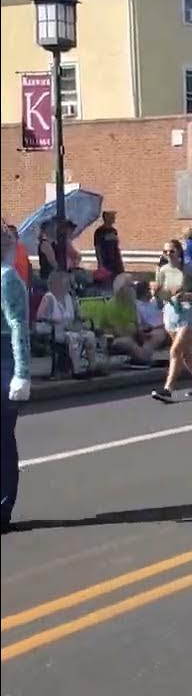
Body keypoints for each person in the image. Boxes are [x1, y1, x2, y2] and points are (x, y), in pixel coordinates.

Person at [1, 225, 32, 532]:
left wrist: (22, 373)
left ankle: (2, 507)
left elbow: (18, 326)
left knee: (2, 438)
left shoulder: (7, 277)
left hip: (4, 361)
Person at [151, 239, 192, 402]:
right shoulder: (163, 270)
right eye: (165, 252)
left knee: (175, 351)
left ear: (179, 252)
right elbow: (159, 294)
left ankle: (168, 389)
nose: (168, 254)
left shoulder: (189, 268)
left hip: (186, 312)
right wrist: (155, 291)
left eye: (171, 251)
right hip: (171, 313)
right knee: (185, 353)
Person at [35, 270, 99, 377]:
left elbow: (77, 314)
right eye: (66, 283)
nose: (69, 286)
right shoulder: (49, 297)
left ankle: (92, 367)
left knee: (90, 336)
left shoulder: (70, 297)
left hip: (69, 328)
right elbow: (39, 316)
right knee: (73, 338)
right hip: (53, 329)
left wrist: (83, 317)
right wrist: (52, 320)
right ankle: (76, 370)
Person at [93, 210, 125, 277]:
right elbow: (97, 248)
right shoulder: (100, 231)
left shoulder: (113, 231)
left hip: (116, 261)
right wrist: (100, 263)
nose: (114, 218)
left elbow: (116, 247)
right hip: (106, 261)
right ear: (106, 218)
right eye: (111, 216)